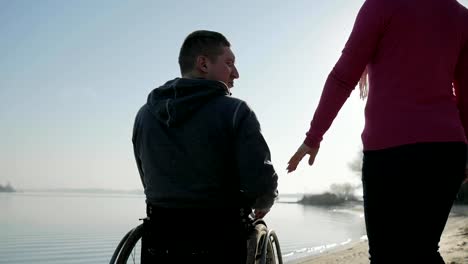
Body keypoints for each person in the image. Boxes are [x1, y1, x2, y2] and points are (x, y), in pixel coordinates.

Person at [287, 0, 468, 263]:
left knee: (386, 254)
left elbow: (343, 76)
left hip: (390, 151)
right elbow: (465, 98)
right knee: (424, 250)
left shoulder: (381, 5)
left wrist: (314, 136)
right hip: (446, 150)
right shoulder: (460, 15)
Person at [132, 30, 278, 264]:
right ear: (203, 63)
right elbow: (261, 183)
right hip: (222, 238)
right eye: (229, 63)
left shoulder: (144, 115)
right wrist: (263, 203)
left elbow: (147, 179)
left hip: (161, 239)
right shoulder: (236, 112)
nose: (236, 74)